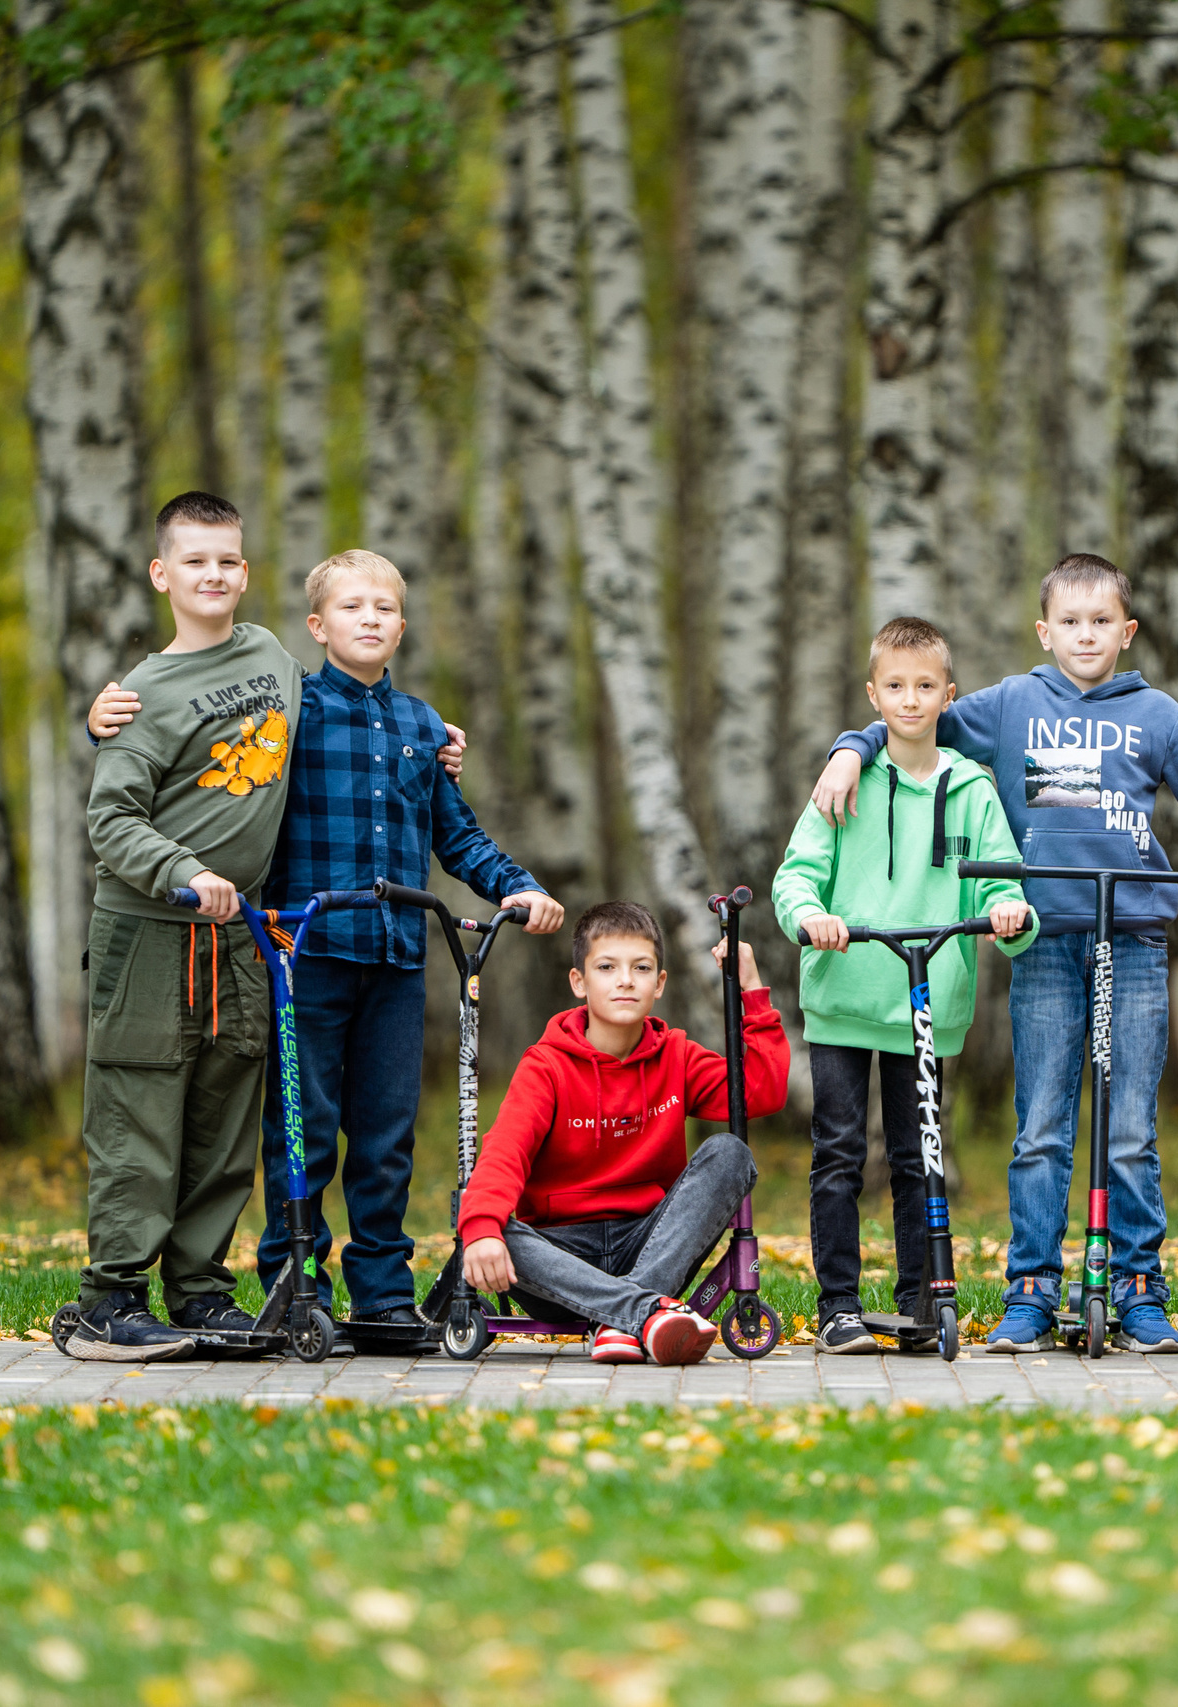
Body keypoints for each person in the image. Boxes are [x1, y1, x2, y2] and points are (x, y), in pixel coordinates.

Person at [85, 549, 551, 1344]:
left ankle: (381, 1291)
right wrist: (99, 721)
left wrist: (516, 884)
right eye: (351, 607)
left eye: (384, 608)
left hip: (398, 955)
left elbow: (456, 834)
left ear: (403, 626)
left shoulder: (422, 727)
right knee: (300, 1126)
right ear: (317, 625)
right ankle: (297, 1277)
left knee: (385, 1135)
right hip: (303, 956)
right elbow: (198, 747)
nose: (369, 619)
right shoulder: (288, 711)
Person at [809, 554, 1178, 1354]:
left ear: (1128, 630)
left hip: (1136, 938)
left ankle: (1137, 1288)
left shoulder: (1157, 715)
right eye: (1071, 623)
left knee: (1128, 1128)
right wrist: (852, 745)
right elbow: (918, 713)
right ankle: (1033, 1290)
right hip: (1042, 939)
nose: (1087, 636)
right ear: (1045, 631)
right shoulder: (1014, 703)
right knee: (1042, 1121)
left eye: (1102, 622)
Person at [67, 493, 300, 1359]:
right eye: (195, 560)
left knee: (222, 1115)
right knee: (141, 1113)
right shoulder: (139, 693)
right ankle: (110, 1296)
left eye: (228, 560)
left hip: (238, 931)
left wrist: (428, 740)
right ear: (163, 574)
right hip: (151, 933)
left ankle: (200, 1290)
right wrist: (183, 871)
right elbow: (113, 819)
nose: (214, 574)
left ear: (245, 570)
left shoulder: (275, 656)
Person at [772, 617, 1037, 1355]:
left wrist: (1009, 913)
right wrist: (812, 916)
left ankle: (923, 1299)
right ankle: (839, 1304)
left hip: (925, 1001)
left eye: (925, 687)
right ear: (873, 693)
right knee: (840, 1152)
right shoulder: (845, 779)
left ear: (948, 695)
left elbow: (1002, 882)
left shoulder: (972, 788)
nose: (910, 700)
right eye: (895, 686)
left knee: (920, 1153)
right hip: (846, 995)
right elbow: (796, 874)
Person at [454, 902, 789, 1366]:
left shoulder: (677, 1055)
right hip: (560, 1258)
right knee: (484, 1223)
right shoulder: (546, 1065)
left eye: (641, 968)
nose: (626, 980)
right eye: (607, 967)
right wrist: (483, 1229)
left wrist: (750, 987)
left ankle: (625, 1317)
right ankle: (642, 1313)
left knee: (730, 1153)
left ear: (660, 984)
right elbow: (505, 1152)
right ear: (579, 982)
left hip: (651, 1249)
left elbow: (760, 1092)